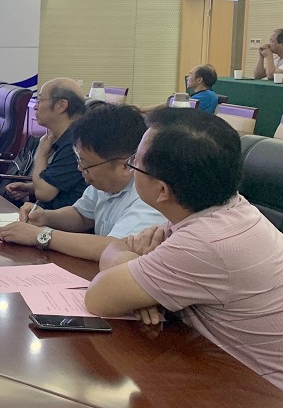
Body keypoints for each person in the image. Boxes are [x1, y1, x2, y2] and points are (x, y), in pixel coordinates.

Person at [84, 109, 283, 389]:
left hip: (258, 390)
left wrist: (124, 259)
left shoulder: (205, 242)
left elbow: (98, 296)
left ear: (162, 191)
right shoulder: (230, 206)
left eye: (135, 163)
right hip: (223, 366)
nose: (130, 166)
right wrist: (144, 286)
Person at [0, 104, 167, 261]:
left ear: (125, 165)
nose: (80, 169)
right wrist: (46, 217)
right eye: (79, 161)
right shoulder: (105, 182)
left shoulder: (150, 196)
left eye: (86, 165)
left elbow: (115, 247)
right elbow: (82, 216)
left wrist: (41, 235)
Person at [3, 78, 88, 210]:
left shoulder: (74, 143)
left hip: (59, 219)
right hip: (46, 214)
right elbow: (60, 183)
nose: (35, 107)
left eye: (40, 100)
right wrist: (30, 188)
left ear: (61, 106)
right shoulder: (64, 137)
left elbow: (44, 194)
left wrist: (42, 154)